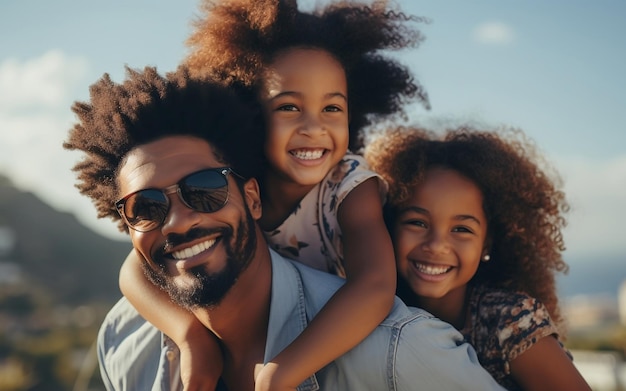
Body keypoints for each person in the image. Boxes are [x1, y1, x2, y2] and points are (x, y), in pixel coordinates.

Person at [63, 66, 504, 390]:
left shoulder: (397, 353)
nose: (179, 221)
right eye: (147, 206)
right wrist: (193, 339)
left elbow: (374, 285)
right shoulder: (124, 341)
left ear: (252, 197)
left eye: (204, 188)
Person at [119, 1, 431, 389]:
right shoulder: (229, 186)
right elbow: (133, 271)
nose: (313, 127)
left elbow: (374, 287)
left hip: (348, 340)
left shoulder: (349, 182)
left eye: (332, 107)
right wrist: (192, 339)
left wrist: (281, 373)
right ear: (252, 113)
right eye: (289, 107)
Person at [365, 125, 592, 391]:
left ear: (487, 243)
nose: (437, 245)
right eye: (417, 222)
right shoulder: (370, 308)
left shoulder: (510, 322)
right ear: (389, 225)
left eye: (462, 229)